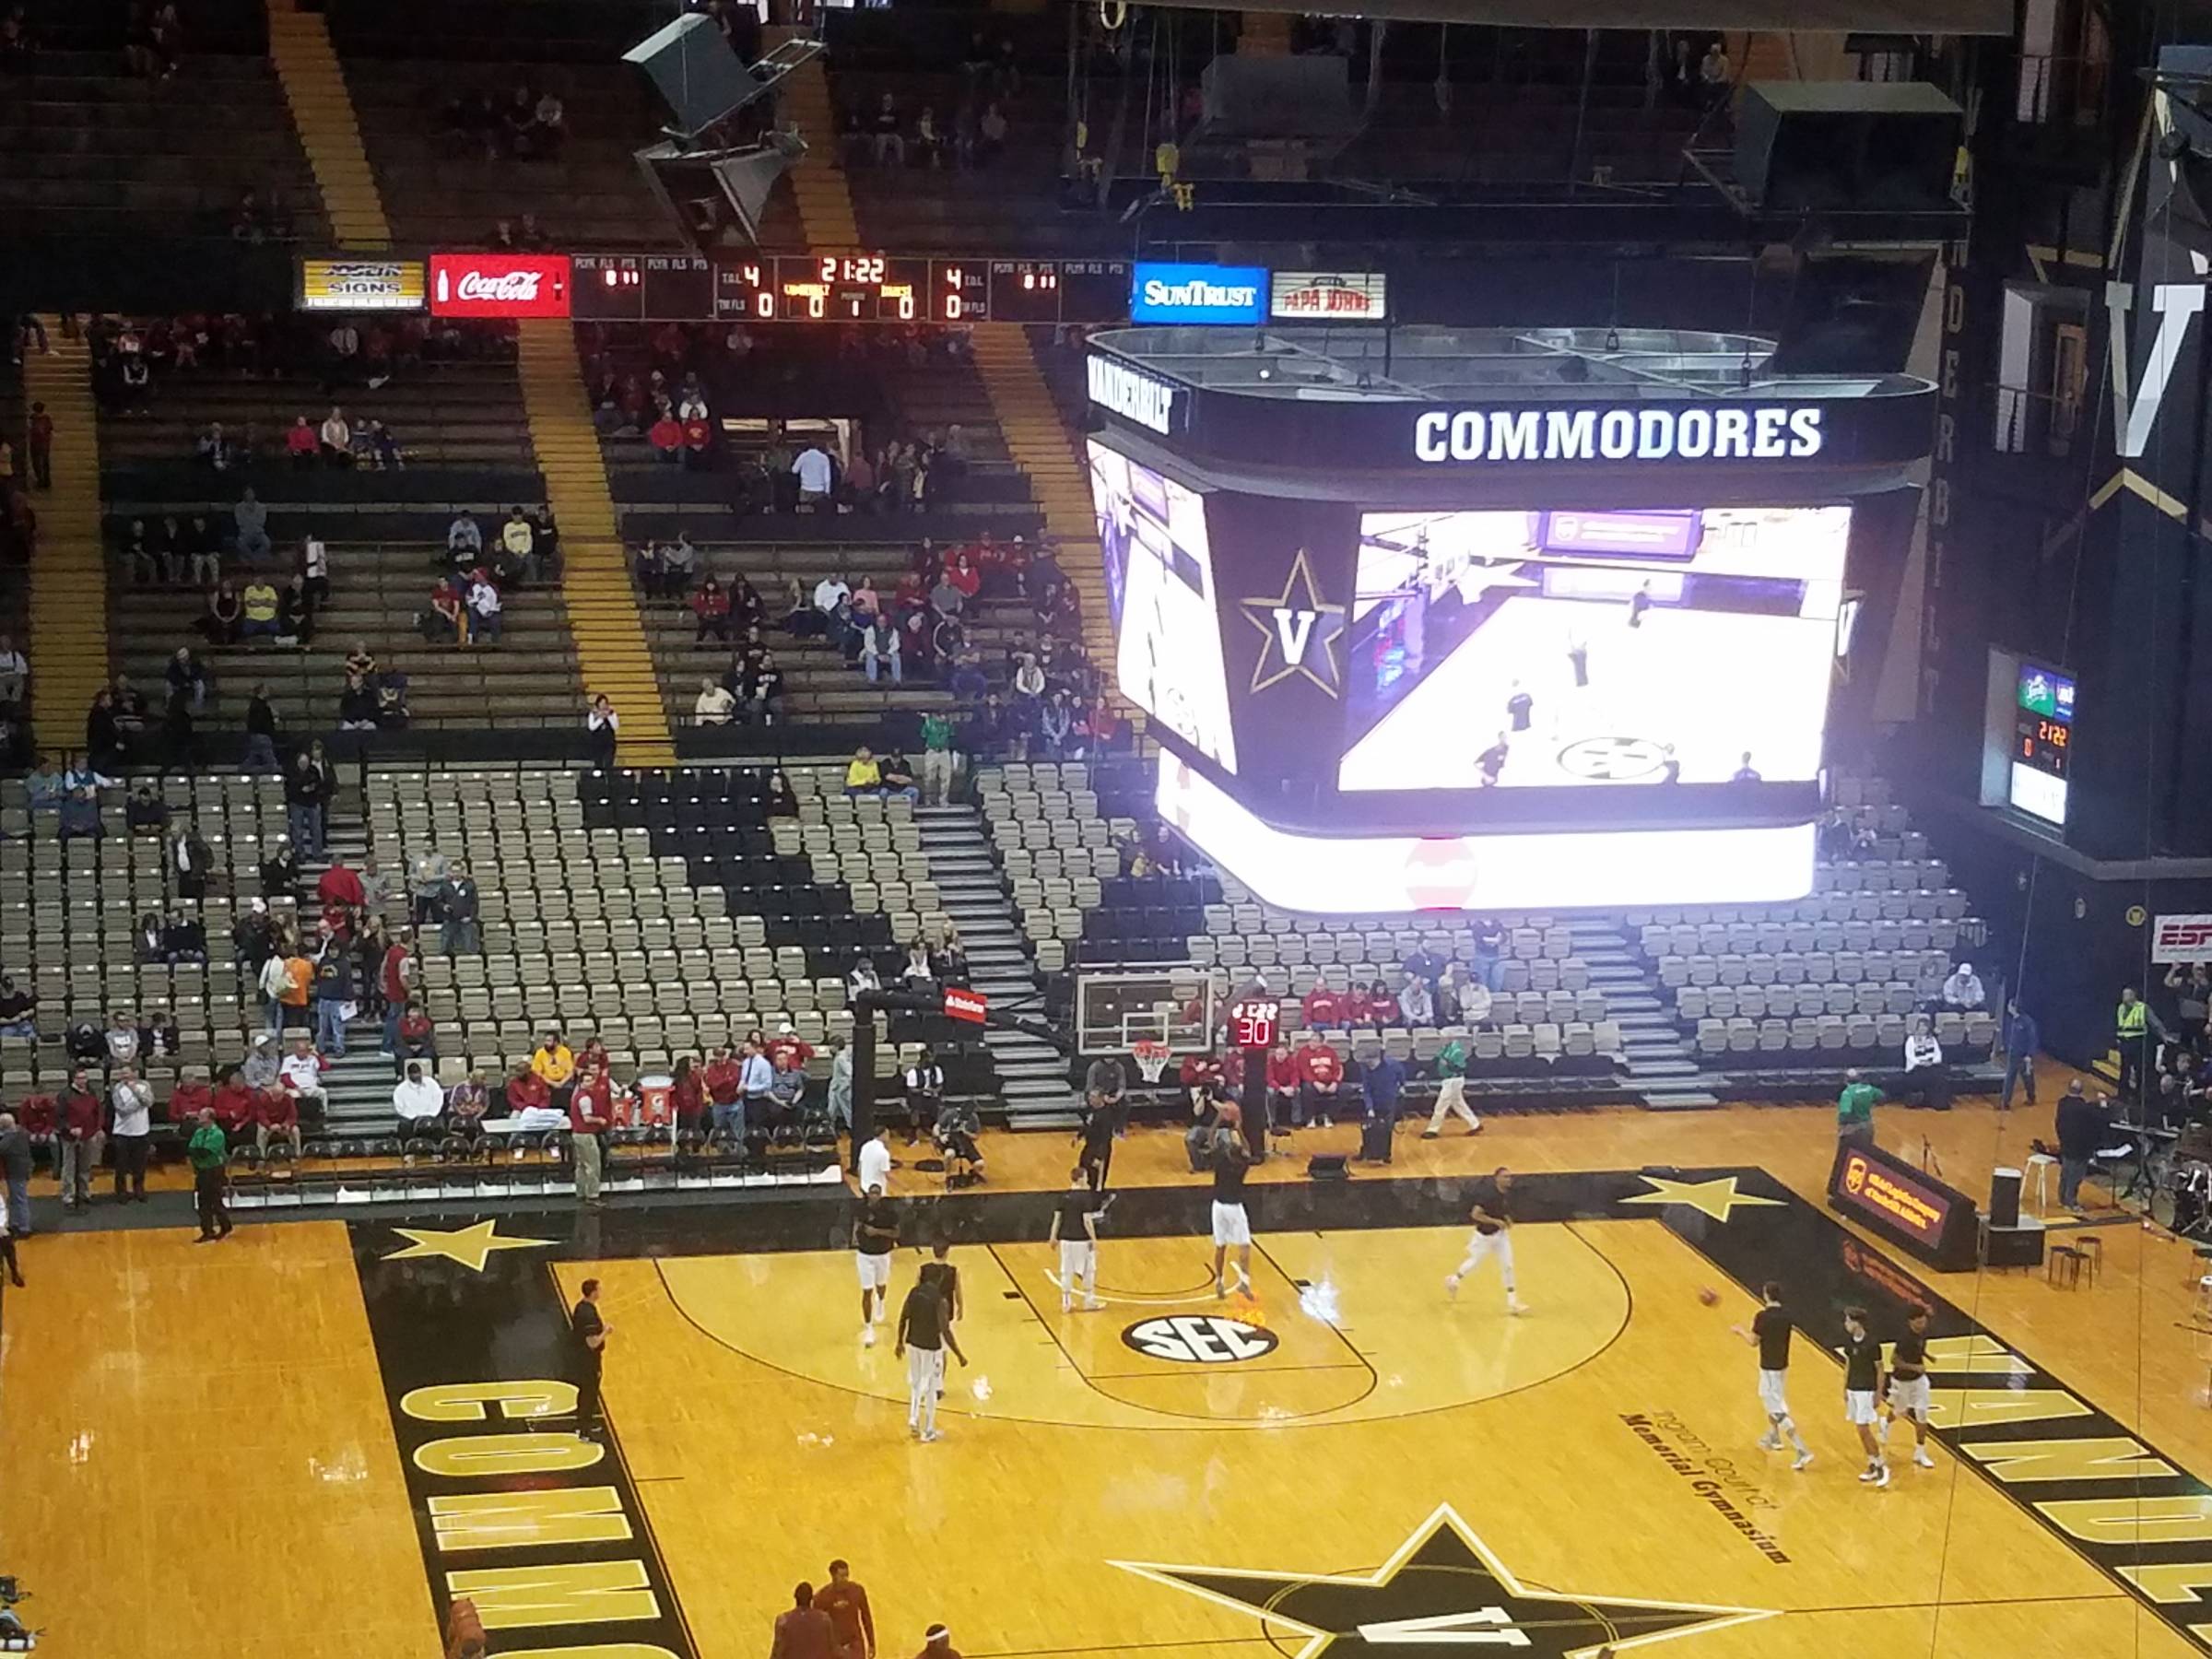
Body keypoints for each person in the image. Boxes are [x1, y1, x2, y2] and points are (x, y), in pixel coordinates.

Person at [1730, 1281, 1814, 1470]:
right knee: (1772, 1400)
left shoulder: (1762, 1316)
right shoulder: (1787, 1316)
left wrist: (1739, 1331)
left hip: (1768, 1366)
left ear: (1766, 1294)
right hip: (1781, 1365)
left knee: (1776, 1407)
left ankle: (1802, 1450)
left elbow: (1753, 1342)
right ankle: (1774, 1436)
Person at [1444, 1167, 1527, 1313]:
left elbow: (1504, 1209)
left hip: (1500, 1236)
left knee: (1507, 1265)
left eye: (1510, 1177)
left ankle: (1512, 1302)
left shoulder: (1508, 1194)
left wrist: (1507, 1219)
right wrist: (1495, 1221)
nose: (1509, 1180)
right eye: (1505, 1177)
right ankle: (1454, 1279)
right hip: (1484, 1237)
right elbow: (1475, 1214)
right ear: (1496, 1178)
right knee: (1474, 1263)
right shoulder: (1487, 1195)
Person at [894, 1273, 965, 1443]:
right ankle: (929, 1430)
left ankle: (913, 1416)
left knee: (916, 1382)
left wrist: (899, 1342)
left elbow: (904, 1316)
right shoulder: (940, 1300)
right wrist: (959, 1354)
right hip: (931, 1348)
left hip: (913, 1344)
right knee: (931, 1388)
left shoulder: (913, 1293)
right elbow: (945, 1330)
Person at [1882, 1304, 1937, 1471]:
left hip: (1919, 1381)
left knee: (1922, 1413)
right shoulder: (1904, 1339)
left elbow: (1920, 1348)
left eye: (1924, 1321)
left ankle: (1920, 1452)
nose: (1922, 1325)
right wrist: (1915, 1367)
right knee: (1900, 1411)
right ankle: (1886, 1421)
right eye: (1919, 1322)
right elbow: (1894, 1361)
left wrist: (1927, 1356)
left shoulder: (1922, 1333)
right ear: (1911, 1322)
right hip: (1902, 1381)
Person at [1841, 1306, 1888, 1487]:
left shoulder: (1872, 1344)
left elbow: (1880, 1370)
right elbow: (1848, 1365)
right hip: (1853, 1389)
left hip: (1866, 1390)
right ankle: (1872, 1464)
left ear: (1857, 1322)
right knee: (1860, 1430)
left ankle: (1881, 1465)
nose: (1845, 1324)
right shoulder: (1849, 1342)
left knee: (1863, 1429)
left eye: (1848, 1321)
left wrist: (1878, 1393)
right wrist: (1845, 1387)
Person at [1207, 1131, 1256, 1299]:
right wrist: (1240, 1129)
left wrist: (1219, 1117)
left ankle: (1219, 1281)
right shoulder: (1242, 1165)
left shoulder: (1220, 1161)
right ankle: (1245, 1282)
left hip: (1218, 1207)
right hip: (1234, 1208)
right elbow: (1247, 1149)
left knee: (1220, 1246)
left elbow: (1210, 1138)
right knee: (1244, 1245)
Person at [1049, 1165, 1101, 1312]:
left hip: (1065, 1239)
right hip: (1082, 1239)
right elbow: (1087, 1220)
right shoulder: (1086, 1197)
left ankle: (1066, 1302)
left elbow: (1057, 1218)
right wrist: (1094, 1238)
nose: (1087, 1179)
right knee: (1088, 1269)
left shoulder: (1063, 1196)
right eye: (1085, 1177)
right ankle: (1089, 1300)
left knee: (1067, 1269)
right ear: (1080, 1179)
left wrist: (1053, 1237)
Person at [853, 1180, 898, 1346]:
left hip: (883, 1254)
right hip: (864, 1255)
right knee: (866, 1291)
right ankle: (869, 1328)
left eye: (877, 1193)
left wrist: (877, 1231)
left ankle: (880, 1302)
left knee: (881, 1285)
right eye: (871, 1193)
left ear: (881, 1195)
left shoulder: (889, 1212)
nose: (874, 1196)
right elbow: (857, 1224)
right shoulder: (861, 1209)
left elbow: (896, 1233)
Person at [2055, 1079, 2108, 1211]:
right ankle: (2071, 1202)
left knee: (2066, 1172)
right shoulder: (2084, 1108)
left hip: (2066, 1143)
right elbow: (2100, 1119)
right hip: (2080, 1148)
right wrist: (2103, 1103)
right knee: (2076, 1175)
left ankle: (2062, 1198)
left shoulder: (2062, 1103)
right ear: (2081, 1090)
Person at [55, 1066, 100, 1210]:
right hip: (70, 1137)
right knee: (69, 1166)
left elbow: (97, 1111)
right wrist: (70, 1128)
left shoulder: (91, 1092)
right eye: (79, 1078)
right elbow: (59, 1117)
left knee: (85, 1166)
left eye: (84, 1078)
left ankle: (84, 1193)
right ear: (73, 1079)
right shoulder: (65, 1095)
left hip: (88, 1134)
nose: (83, 1081)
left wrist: (97, 1128)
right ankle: (68, 1195)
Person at [571, 1277, 609, 1440]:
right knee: (589, 1392)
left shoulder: (582, 1306)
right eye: (599, 1289)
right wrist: (606, 1332)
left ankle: (583, 1424)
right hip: (588, 1360)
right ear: (593, 1292)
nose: (601, 1292)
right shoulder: (588, 1314)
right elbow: (592, 1343)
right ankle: (584, 1429)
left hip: (580, 1358)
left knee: (586, 1392)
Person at [188, 1107, 233, 1241]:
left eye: (202, 1116)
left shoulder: (217, 1134)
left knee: (215, 1201)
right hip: (201, 1170)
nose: (199, 1118)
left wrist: (197, 1152)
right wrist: (196, 1154)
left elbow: (206, 1151)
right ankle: (207, 1231)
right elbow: (191, 1148)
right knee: (202, 1202)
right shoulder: (199, 1132)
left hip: (214, 1171)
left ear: (210, 1118)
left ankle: (226, 1226)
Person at [109, 1065, 153, 1202]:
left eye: (127, 1074)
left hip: (141, 1131)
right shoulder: (117, 1089)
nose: (124, 1076)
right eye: (122, 1074)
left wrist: (135, 1091)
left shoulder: (145, 1085)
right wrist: (140, 1103)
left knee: (140, 1164)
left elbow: (149, 1102)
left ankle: (139, 1189)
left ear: (134, 1073)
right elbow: (121, 1109)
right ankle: (121, 1192)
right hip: (123, 1133)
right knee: (121, 1165)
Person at [1423, 1034, 1481, 1137]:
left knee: (1441, 1105)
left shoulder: (1457, 1052)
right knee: (1459, 1104)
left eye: (1442, 1038)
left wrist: (1448, 1064)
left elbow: (1461, 1068)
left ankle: (1432, 1130)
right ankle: (1475, 1124)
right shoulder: (1445, 1049)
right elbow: (1436, 1060)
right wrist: (1424, 1070)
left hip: (1454, 1080)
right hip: (1448, 1080)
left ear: (1449, 1038)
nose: (1440, 1040)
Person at [571, 1064, 613, 1205]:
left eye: (591, 1080)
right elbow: (587, 1118)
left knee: (581, 1165)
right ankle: (593, 1196)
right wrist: (600, 1120)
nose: (590, 1083)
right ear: (581, 1083)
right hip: (586, 1135)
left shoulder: (577, 1096)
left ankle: (580, 1192)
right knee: (593, 1165)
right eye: (587, 1081)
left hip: (577, 1134)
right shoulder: (585, 1099)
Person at [816, 1561, 876, 1659]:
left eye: (847, 1575)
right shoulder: (822, 1597)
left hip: (855, 1643)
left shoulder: (857, 1591)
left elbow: (866, 1618)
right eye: (842, 1576)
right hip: (835, 1645)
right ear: (833, 1576)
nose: (845, 1579)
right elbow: (818, 1626)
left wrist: (871, 1643)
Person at [773, 1583, 838, 1659]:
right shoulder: (825, 1619)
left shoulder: (783, 1620)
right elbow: (833, 1648)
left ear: (795, 1597)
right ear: (811, 1598)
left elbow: (777, 1652)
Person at [2001, 998, 2040, 1111]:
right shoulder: (2010, 1020)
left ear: (2014, 1007)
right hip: (2012, 1055)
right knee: (2009, 1078)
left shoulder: (2028, 1022)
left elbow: (2033, 1039)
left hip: (2024, 1056)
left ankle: (2031, 1097)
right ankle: (2005, 1102)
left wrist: (2029, 1055)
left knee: (2027, 1078)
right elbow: (2007, 1035)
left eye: (2009, 1005)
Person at [1901, 1016, 1947, 1111]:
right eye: (1921, 1026)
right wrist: (1920, 1063)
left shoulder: (1932, 1039)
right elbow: (1909, 1056)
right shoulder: (1911, 1040)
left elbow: (1938, 1054)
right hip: (1916, 1068)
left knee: (1939, 1077)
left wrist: (1931, 1062)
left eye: (1925, 1027)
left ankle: (1938, 1104)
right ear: (1917, 1027)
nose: (1923, 1029)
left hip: (1931, 1065)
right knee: (1924, 1076)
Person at [394, 1061, 444, 1139]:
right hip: (411, 1119)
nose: (417, 1075)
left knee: (439, 1123)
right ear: (409, 1075)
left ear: (421, 1072)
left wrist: (430, 1114)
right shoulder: (400, 1089)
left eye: (418, 1072)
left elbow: (438, 1099)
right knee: (403, 1125)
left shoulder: (431, 1083)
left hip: (431, 1115)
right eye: (414, 1073)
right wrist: (416, 1117)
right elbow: (400, 1109)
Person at [2118, 985, 2150, 1102]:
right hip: (2125, 1043)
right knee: (2124, 1071)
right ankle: (2122, 1095)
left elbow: (2153, 1021)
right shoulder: (2121, 1008)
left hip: (2138, 1043)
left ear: (2133, 996)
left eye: (2126, 995)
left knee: (2139, 1071)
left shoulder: (2142, 1007)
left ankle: (2139, 1096)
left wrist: (2164, 1034)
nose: (2124, 997)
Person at [0, 1111, 28, 1239]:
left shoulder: (10, 1138)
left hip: (16, 1171)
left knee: (19, 1199)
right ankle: (16, 1223)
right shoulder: (21, 1133)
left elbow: (2, 1149)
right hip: (20, 1170)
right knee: (16, 1199)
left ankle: (23, 1227)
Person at [1836, 1068, 1879, 1148]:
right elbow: (1881, 1096)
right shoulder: (1869, 1088)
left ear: (1845, 1079)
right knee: (1866, 1155)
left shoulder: (1847, 1093)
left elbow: (1845, 1112)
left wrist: (1842, 1127)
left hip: (1852, 1128)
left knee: (1847, 1155)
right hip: (1868, 1126)